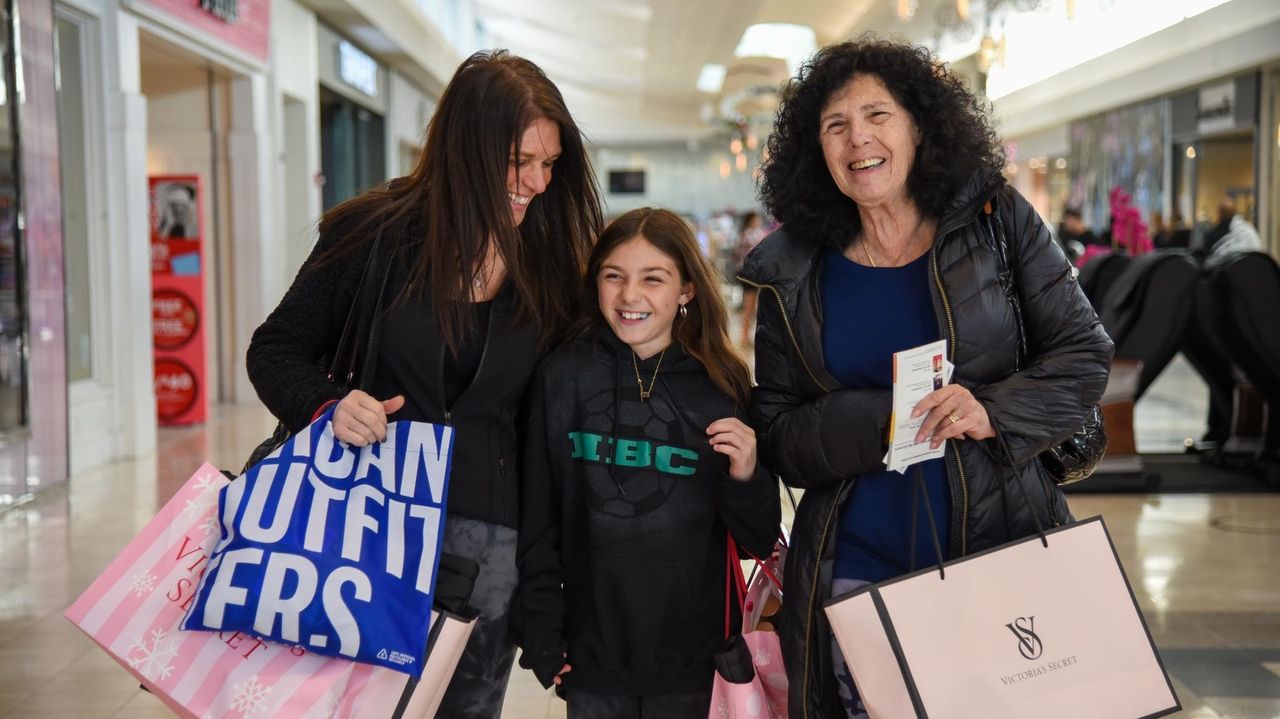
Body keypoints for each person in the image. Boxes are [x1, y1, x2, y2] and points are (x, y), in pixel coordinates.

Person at [740, 38, 1114, 718]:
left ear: (919, 126)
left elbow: (1084, 353)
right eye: (836, 125)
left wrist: (990, 408)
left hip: (1003, 552)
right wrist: (884, 419)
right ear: (815, 149)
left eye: (877, 115)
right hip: (855, 566)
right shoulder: (792, 270)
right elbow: (778, 433)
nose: (859, 139)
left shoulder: (993, 222)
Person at [245, 49, 602, 717]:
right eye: (519, 161)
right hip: (362, 530)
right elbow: (275, 349)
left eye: (549, 163)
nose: (537, 181)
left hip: (487, 553)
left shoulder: (546, 260)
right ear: (469, 147)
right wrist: (329, 404)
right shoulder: (372, 236)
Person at [514, 207, 780, 719]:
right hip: (593, 656)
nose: (630, 296)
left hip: (698, 660)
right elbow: (537, 517)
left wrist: (747, 473)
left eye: (653, 279)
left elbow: (758, 538)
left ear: (686, 290)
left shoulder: (720, 387)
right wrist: (542, 633)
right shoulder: (564, 377)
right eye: (614, 277)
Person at [735, 211, 767, 345]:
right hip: (749, 274)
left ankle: (745, 335)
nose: (759, 220)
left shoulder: (747, 233)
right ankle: (744, 336)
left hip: (747, 273)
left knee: (751, 305)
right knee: (749, 306)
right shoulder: (750, 234)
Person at [1203, 196, 1261, 265]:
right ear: (1235, 213)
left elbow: (1207, 261)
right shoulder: (1250, 231)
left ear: (1219, 214)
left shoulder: (1212, 235)